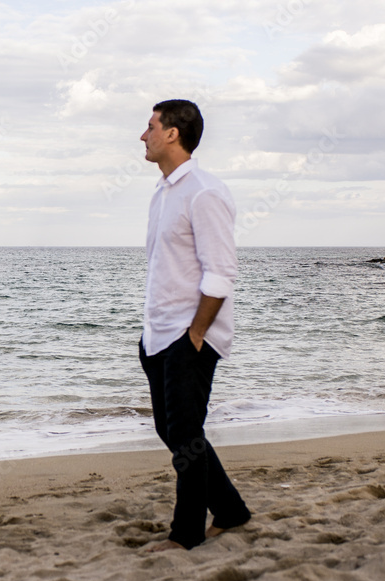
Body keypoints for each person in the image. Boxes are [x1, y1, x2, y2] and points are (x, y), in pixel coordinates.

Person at [137, 99, 252, 552]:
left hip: (190, 336)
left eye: (149, 127)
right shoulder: (165, 192)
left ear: (172, 134)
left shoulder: (204, 191)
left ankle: (185, 536)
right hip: (159, 333)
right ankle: (231, 510)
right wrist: (150, 337)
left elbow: (221, 272)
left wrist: (197, 334)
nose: (142, 135)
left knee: (185, 435)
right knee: (175, 432)